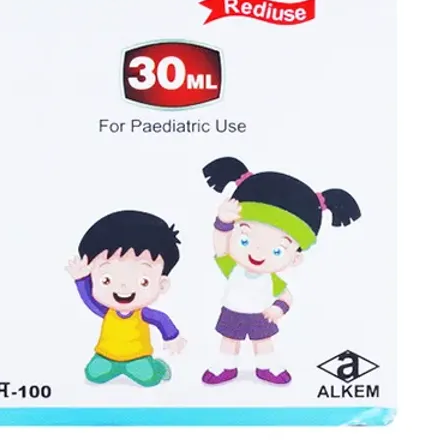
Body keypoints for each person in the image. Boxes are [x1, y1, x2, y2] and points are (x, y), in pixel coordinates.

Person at [201, 157, 361, 385]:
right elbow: (221, 246)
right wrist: (222, 221)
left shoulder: (271, 280)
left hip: (261, 314)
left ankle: (266, 367)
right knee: (229, 340)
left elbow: (286, 296)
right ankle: (225, 366)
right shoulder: (232, 267)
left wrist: (278, 308)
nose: (257, 253)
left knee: (263, 342)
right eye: (245, 240)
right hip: (233, 312)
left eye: (278, 250)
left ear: (295, 258)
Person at [66, 210, 187, 387]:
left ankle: (159, 368)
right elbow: (90, 301)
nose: (123, 288)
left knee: (149, 379)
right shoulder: (108, 312)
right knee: (93, 374)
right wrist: (81, 280)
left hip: (137, 357)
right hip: (106, 355)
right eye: (106, 280)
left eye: (143, 281)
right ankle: (114, 367)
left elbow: (161, 319)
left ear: (162, 284)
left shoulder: (142, 314)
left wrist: (172, 337)